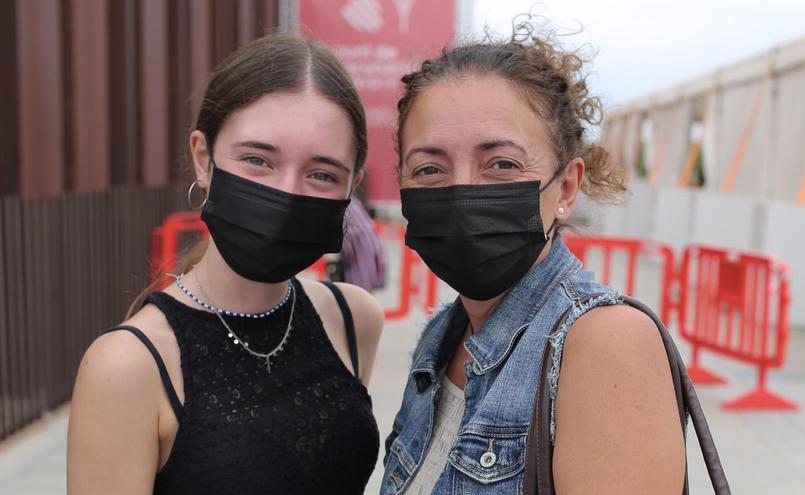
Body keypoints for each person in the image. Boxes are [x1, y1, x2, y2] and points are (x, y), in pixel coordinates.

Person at [67, 33, 384, 495]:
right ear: (204, 158)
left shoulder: (354, 319)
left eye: (321, 174)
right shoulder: (128, 364)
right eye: (258, 160)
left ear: (352, 184)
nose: (287, 192)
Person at [381, 22, 686, 494]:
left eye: (501, 164)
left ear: (565, 188)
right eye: (429, 169)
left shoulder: (606, 343)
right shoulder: (443, 336)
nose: (463, 192)